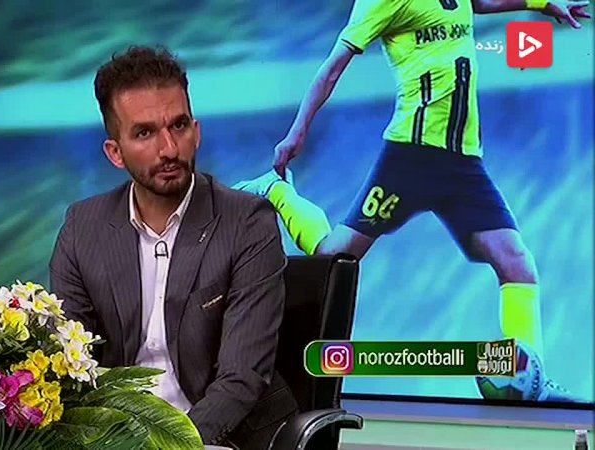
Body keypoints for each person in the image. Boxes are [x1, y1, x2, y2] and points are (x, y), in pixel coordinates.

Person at [233, 0, 590, 402]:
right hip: (410, 158)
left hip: (463, 163)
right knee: (335, 257)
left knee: (517, 264)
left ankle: (529, 381)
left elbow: (479, 2)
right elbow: (332, 68)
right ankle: (277, 191)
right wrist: (296, 132)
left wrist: (543, 4)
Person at [49, 45, 299, 449]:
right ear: (115, 153)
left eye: (179, 126)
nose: (169, 149)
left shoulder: (247, 223)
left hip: (223, 437)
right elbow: (72, 364)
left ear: (196, 131)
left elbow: (240, 379)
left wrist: (168, 446)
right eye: (144, 133)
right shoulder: (83, 228)